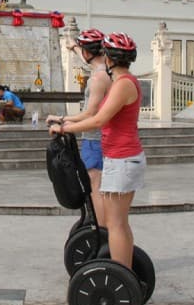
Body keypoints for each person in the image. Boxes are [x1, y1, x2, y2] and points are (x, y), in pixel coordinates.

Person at [49, 32, 144, 271]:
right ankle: (124, 272)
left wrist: (65, 127)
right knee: (118, 222)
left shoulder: (123, 85)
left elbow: (99, 119)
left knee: (115, 224)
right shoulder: (126, 81)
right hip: (122, 158)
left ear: (109, 59)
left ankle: (120, 274)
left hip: (122, 159)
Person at [46, 28, 111, 228]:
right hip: (99, 138)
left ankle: (102, 231)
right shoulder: (105, 70)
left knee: (95, 185)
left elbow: (90, 114)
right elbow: (88, 60)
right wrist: (74, 47)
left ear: (88, 52)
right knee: (96, 184)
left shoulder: (97, 80)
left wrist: (62, 121)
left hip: (95, 139)